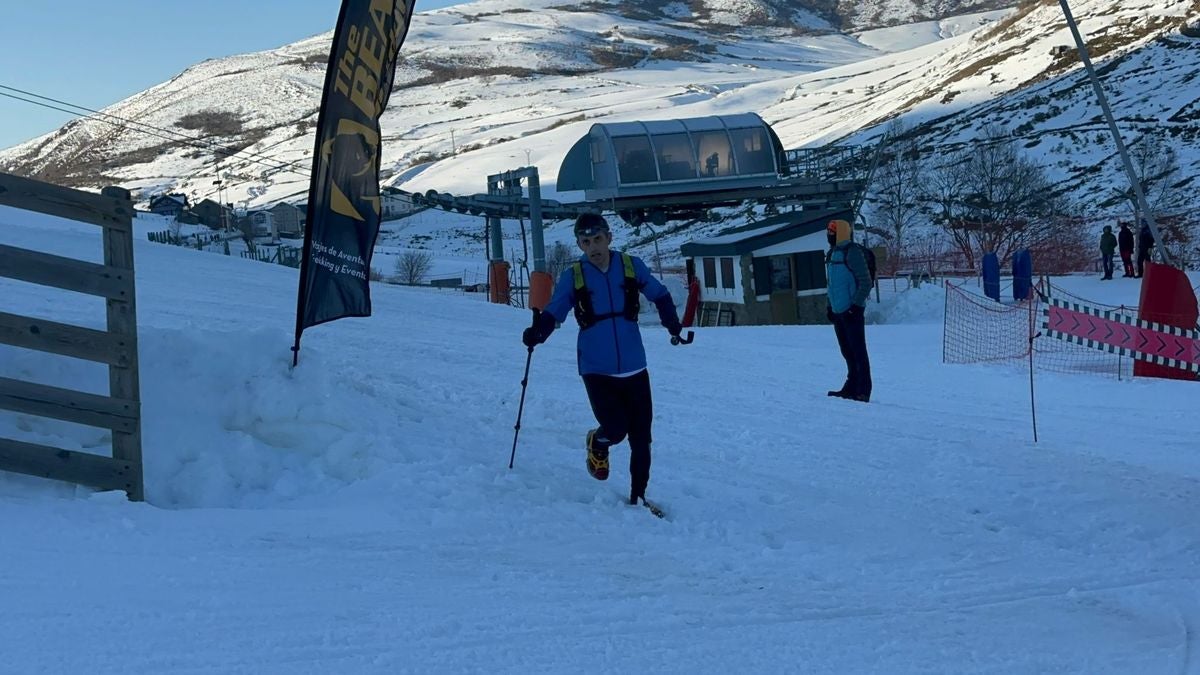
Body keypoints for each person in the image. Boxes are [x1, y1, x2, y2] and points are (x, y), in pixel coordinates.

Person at [522, 213, 683, 506]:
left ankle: (639, 497)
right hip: (596, 367)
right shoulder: (575, 275)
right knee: (616, 429)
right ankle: (598, 442)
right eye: (586, 242)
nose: (594, 247)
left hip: (634, 364)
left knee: (642, 439)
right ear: (579, 244)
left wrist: (673, 324)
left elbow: (659, 295)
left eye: (598, 239)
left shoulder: (631, 266)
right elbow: (555, 311)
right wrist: (537, 333)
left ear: (609, 237)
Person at [824, 219, 872, 402]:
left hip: (852, 311)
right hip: (838, 312)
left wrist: (856, 306)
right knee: (847, 351)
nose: (829, 235)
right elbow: (831, 284)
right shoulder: (832, 254)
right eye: (828, 231)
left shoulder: (853, 252)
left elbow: (866, 282)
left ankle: (863, 390)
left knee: (859, 351)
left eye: (833, 231)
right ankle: (850, 387)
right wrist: (830, 306)